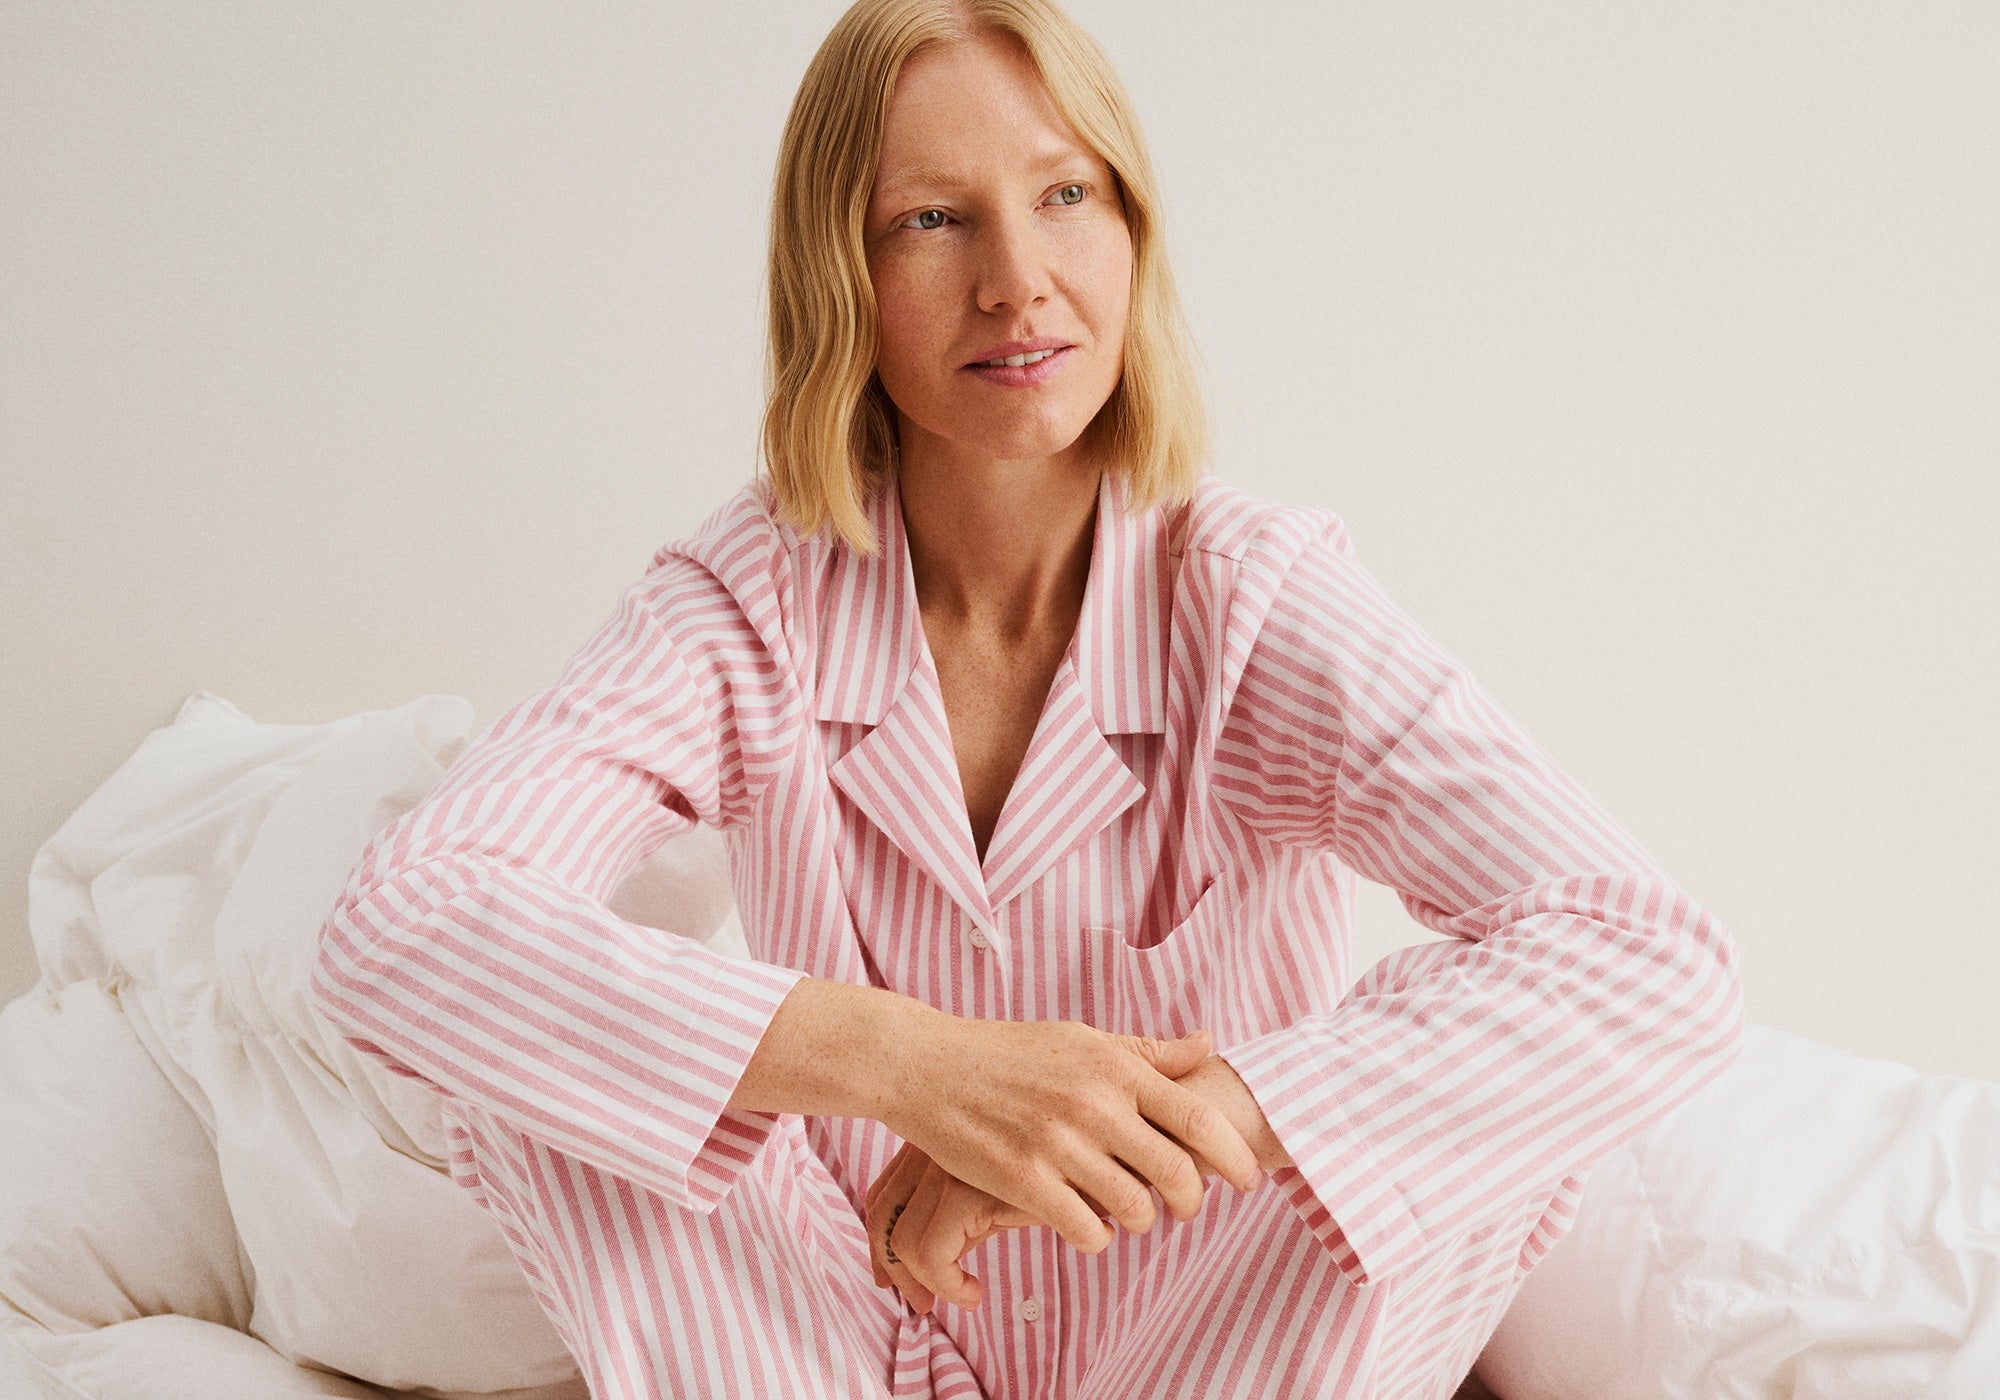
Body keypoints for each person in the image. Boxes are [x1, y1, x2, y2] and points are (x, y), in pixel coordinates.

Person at [310, 1, 1747, 1396]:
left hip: (1203, 1343)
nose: (1017, 281)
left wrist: (1203, 1112)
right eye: (933, 220)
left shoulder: (1251, 601)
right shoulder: (749, 605)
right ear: (839, 275)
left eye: (1065, 195)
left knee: (1469, 1098)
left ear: (1132, 230)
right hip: (844, 1337)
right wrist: (929, 1071)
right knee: (537, 1058)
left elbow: (1648, 953)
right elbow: (403, 924)